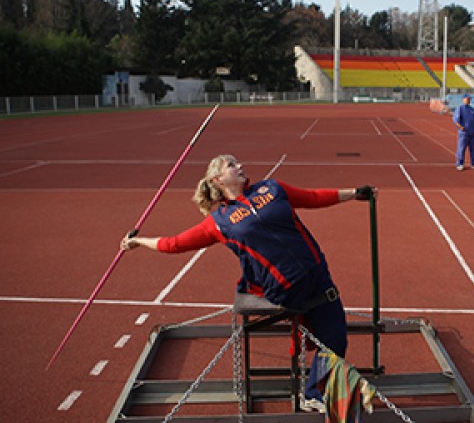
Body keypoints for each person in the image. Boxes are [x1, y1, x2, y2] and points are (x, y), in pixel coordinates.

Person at [120, 154, 376, 411]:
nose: (240, 166)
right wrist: (138, 242)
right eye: (232, 165)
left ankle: (313, 394)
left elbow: (312, 197)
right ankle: (338, 388)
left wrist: (354, 193)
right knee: (326, 333)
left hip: (318, 273)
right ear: (217, 180)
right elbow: (174, 244)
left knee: (336, 340)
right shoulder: (218, 222)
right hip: (285, 287)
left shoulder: (272, 188)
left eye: (237, 163)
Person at [453, 93, 474, 171]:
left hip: (472, 132)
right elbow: (455, 119)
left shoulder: (471, 109)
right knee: (461, 148)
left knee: (473, 149)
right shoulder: (460, 108)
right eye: (467, 99)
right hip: (464, 133)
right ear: (463, 99)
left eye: (469, 99)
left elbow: (473, 119)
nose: (469, 100)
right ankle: (460, 163)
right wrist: (460, 127)